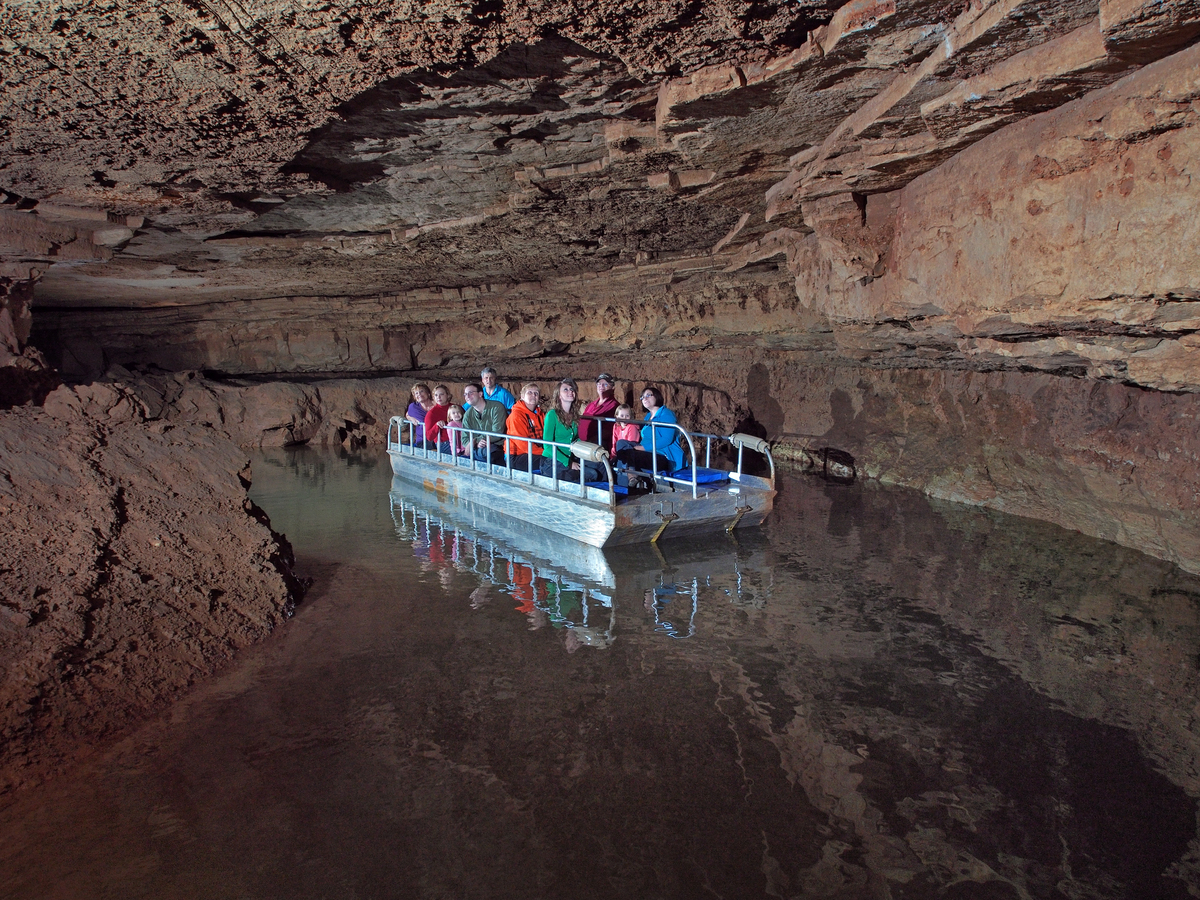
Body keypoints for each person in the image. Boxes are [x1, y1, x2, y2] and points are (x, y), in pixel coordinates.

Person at [540, 377, 603, 481]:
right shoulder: (552, 415)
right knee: (592, 474)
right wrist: (568, 463)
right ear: (559, 395)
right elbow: (547, 445)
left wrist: (590, 450)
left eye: (572, 389)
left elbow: (575, 440)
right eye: (565, 389)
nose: (570, 392)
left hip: (570, 456)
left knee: (599, 464)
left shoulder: (573, 416)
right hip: (551, 461)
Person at [615, 386, 684, 475]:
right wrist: (624, 422)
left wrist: (642, 448)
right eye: (642, 397)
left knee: (626, 456)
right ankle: (630, 477)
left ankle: (629, 478)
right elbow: (638, 428)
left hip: (661, 455)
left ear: (657, 396)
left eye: (648, 395)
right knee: (621, 444)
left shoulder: (666, 414)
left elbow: (667, 439)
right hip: (647, 452)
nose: (645, 398)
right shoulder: (648, 416)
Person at [461, 382, 508, 464]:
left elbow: (497, 432)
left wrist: (476, 440)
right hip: (478, 448)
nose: (467, 396)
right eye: (465, 394)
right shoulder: (468, 415)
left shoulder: (497, 407)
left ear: (480, 394)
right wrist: (476, 444)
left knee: (492, 453)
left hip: (498, 445)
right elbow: (464, 438)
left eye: (470, 393)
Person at [505, 383, 544, 472]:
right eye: (529, 392)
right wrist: (547, 453)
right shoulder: (516, 416)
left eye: (536, 393)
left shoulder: (540, 415)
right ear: (522, 396)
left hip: (535, 450)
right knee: (551, 461)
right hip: (517, 455)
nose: (533, 395)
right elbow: (523, 445)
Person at [580, 372, 619, 448]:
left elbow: (609, 429)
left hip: (598, 444)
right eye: (599, 383)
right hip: (584, 443)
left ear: (612, 387)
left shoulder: (614, 406)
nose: (601, 386)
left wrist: (592, 440)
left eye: (605, 384)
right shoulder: (591, 405)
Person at [423, 384, 452, 452]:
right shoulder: (431, 413)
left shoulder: (455, 408)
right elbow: (429, 437)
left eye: (441, 394)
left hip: (458, 439)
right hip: (444, 442)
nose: (438, 397)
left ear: (447, 395)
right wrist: (437, 426)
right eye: (436, 395)